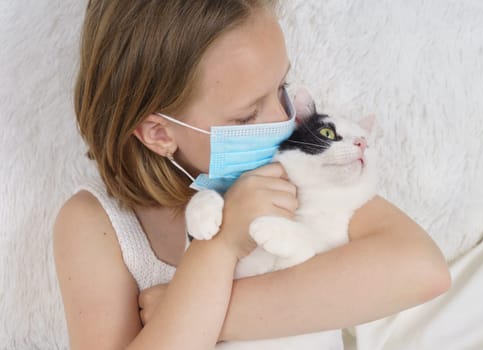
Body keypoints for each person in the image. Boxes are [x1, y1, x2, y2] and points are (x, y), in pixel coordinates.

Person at [53, 1, 451, 349]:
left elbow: (423, 269)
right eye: (248, 115)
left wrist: (202, 312)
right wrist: (222, 247)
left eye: (282, 87)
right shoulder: (96, 224)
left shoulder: (294, 171)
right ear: (159, 133)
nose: (284, 120)